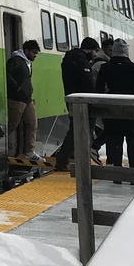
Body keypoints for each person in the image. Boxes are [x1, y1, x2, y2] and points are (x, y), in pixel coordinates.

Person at [96, 38, 134, 181]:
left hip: (113, 109)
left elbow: (98, 90)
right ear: (126, 52)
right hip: (132, 109)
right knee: (132, 142)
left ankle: (117, 175)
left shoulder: (105, 68)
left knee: (115, 141)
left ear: (114, 51)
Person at [53, 37, 99, 171]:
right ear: (90, 49)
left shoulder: (69, 59)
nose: (95, 54)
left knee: (75, 129)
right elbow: (88, 84)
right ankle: (63, 159)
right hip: (82, 101)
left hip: (71, 99)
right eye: (95, 51)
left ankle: (69, 156)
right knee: (79, 130)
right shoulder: (81, 62)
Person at [7, 40, 41, 161]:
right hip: (17, 99)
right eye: (33, 52)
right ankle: (2, 148)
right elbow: (7, 74)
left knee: (32, 123)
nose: (35, 55)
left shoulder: (27, 63)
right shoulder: (16, 61)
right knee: (12, 124)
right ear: (26, 51)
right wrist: (17, 88)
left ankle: (30, 151)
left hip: (26, 99)